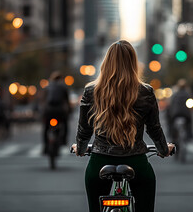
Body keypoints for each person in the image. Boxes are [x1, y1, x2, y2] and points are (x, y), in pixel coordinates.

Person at [71, 40, 175, 212]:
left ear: (106, 63)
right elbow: (154, 129)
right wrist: (164, 150)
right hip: (136, 161)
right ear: (133, 64)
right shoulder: (146, 91)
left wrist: (81, 149)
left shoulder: (91, 91)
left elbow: (84, 129)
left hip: (100, 162)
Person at [42, 71, 71, 154]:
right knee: (65, 124)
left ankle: (46, 145)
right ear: (61, 79)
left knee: (46, 128)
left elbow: (43, 100)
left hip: (48, 111)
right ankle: (63, 141)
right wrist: (69, 110)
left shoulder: (48, 87)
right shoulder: (63, 87)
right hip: (59, 111)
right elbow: (67, 101)